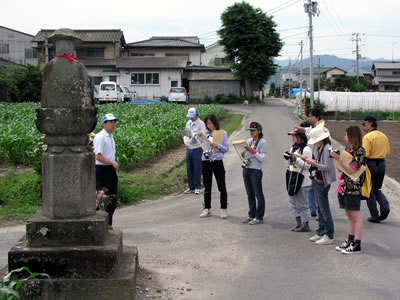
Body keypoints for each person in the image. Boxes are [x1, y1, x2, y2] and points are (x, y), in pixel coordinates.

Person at [331, 126, 366, 254]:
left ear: (352, 136)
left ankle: (357, 244)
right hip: (344, 186)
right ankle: (350, 240)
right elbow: (342, 169)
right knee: (349, 216)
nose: (345, 137)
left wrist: (340, 159)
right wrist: (337, 160)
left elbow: (352, 169)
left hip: (353, 188)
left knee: (356, 215)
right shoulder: (348, 149)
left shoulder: (360, 151)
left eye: (346, 135)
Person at [301, 126, 336, 245]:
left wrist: (313, 163)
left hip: (322, 182)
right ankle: (321, 231)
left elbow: (327, 167)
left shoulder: (327, 149)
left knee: (324, 210)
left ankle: (329, 234)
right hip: (317, 180)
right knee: (320, 209)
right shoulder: (321, 148)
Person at [197, 114, 229, 219]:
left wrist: (217, 145)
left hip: (217, 161)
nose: (208, 125)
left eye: (210, 123)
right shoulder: (205, 133)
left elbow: (226, 148)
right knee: (207, 186)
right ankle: (207, 208)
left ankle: (223, 208)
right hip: (206, 161)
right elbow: (197, 142)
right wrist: (197, 136)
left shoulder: (222, 133)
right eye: (207, 123)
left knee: (221, 185)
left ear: (215, 123)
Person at [361, 115, 391, 223]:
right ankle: (385, 206)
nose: (363, 126)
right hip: (382, 163)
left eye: (364, 124)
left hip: (371, 164)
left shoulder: (367, 137)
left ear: (370, 124)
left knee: (369, 190)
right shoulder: (383, 136)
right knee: (377, 188)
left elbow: (365, 153)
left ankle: (374, 215)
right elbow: (387, 152)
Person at [296, 108, 325, 218]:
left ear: (317, 117)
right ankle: (313, 209)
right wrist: (302, 128)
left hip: (318, 160)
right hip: (311, 159)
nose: (309, 118)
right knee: (312, 186)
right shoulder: (312, 128)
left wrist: (303, 129)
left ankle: (319, 210)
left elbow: (310, 133)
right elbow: (307, 132)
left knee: (318, 186)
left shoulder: (321, 129)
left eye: (311, 116)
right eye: (308, 116)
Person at [93, 113, 120, 226]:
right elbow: (98, 156)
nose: (113, 125)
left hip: (110, 170)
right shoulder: (100, 137)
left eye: (114, 122)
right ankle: (102, 225)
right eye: (110, 123)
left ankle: (108, 224)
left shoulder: (110, 136)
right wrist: (112, 163)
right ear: (104, 124)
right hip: (102, 170)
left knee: (112, 199)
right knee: (104, 199)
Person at [285, 128, 312, 232]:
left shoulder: (306, 149)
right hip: (292, 177)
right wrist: (288, 158)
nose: (292, 138)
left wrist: (296, 159)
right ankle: (298, 223)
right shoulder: (293, 148)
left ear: (300, 137)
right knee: (293, 202)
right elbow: (290, 164)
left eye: (294, 136)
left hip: (303, 180)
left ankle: (306, 224)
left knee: (302, 203)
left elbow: (307, 166)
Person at [242, 122, 268, 225]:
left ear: (259, 131)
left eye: (253, 130)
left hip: (256, 170)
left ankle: (259, 216)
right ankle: (251, 214)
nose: (251, 132)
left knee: (258, 194)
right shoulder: (248, 141)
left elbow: (262, 158)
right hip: (247, 168)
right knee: (249, 194)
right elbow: (245, 155)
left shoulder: (263, 142)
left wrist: (253, 151)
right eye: (250, 131)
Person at [183, 107, 206, 195]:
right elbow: (185, 133)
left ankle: (197, 187)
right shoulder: (188, 123)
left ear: (197, 115)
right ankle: (191, 187)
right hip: (189, 148)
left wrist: (195, 135)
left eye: (193, 117)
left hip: (197, 148)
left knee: (197, 168)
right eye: (190, 116)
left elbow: (203, 136)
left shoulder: (201, 124)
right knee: (189, 168)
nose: (191, 118)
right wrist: (187, 140)